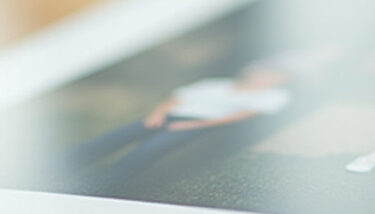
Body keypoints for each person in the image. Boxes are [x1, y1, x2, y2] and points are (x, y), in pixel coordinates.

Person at [68, 64, 294, 186]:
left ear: (277, 79)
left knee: (145, 153)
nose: (259, 77)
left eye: (268, 75)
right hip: (170, 116)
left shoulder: (274, 96)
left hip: (199, 124)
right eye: (258, 72)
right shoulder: (215, 84)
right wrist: (157, 114)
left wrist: (196, 125)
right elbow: (177, 99)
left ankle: (103, 185)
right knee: (111, 139)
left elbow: (242, 115)